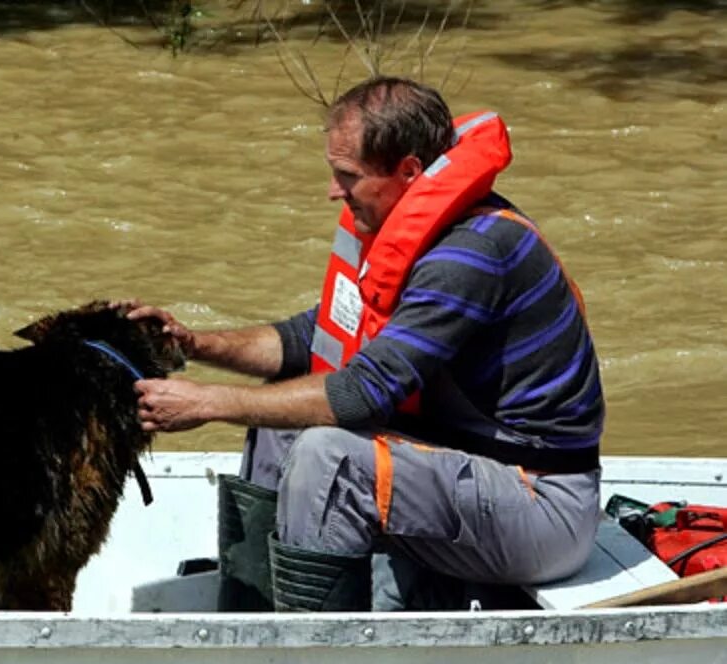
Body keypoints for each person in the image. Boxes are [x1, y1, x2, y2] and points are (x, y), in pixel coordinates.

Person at [130, 76, 605, 612]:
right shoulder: (415, 233)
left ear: (408, 171)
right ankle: (253, 615)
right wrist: (193, 344)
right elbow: (310, 338)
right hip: (467, 469)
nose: (334, 190)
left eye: (347, 175)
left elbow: (362, 393)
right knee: (277, 412)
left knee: (327, 456)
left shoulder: (472, 254)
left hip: (542, 506)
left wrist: (208, 403)